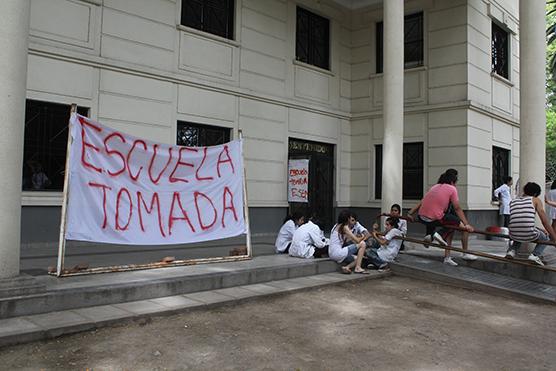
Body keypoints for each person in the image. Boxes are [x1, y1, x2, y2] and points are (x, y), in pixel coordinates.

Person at [407, 168, 475, 266]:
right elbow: (457, 208)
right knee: (458, 225)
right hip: (435, 217)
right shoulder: (452, 189)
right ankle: (440, 235)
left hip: (422, 216)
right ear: (452, 181)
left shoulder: (434, 187)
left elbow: (423, 201)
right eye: (456, 181)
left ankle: (431, 239)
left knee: (449, 227)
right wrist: (467, 224)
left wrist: (411, 212)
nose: (456, 184)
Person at [507, 182, 556, 266]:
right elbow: (544, 221)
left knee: (520, 231)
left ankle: (512, 251)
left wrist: (540, 230)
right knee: (546, 238)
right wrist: (554, 237)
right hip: (527, 232)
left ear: (524, 190)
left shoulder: (513, 201)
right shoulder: (535, 200)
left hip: (513, 232)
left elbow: (520, 221)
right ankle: (535, 255)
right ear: (535, 194)